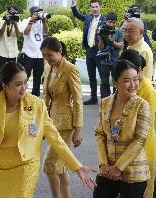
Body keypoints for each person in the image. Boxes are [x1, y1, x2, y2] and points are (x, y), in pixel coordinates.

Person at [0, 62, 96, 197]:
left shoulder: (37, 104)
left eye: (25, 82)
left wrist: (77, 167)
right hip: (0, 166)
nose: (24, 88)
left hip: (26, 165)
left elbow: (55, 139)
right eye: (18, 84)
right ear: (5, 86)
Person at [93, 60, 151, 198]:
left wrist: (118, 168)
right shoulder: (105, 103)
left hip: (134, 173)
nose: (133, 85)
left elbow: (139, 140)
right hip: (107, 170)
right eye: (126, 80)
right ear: (115, 82)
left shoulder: (142, 105)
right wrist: (103, 164)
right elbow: (99, 134)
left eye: (135, 80)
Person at [41, 37, 83, 198]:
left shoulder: (70, 69)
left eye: (50, 55)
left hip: (66, 124)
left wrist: (78, 130)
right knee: (60, 166)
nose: (47, 58)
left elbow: (78, 100)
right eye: (44, 55)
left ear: (60, 52)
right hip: (50, 122)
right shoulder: (48, 68)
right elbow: (46, 96)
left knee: (50, 164)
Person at [119, 49, 156, 198]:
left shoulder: (147, 89)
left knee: (142, 191)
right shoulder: (131, 85)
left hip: (143, 148)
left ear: (139, 70)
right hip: (126, 146)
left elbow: (146, 125)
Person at [71, 0, 106, 105]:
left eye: (96, 7)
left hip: (100, 51)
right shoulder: (88, 18)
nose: (94, 9)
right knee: (91, 76)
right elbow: (76, 14)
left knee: (102, 76)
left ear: (100, 7)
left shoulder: (105, 20)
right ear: (90, 8)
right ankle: (93, 97)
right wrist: (73, 5)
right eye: (92, 7)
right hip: (89, 50)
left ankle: (105, 99)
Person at [18, 6, 49, 97]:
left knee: (37, 77)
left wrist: (43, 21)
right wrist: (31, 21)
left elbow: (46, 32)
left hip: (39, 55)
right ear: (32, 13)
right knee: (24, 76)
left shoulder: (41, 22)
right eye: (37, 13)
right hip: (28, 54)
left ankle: (35, 96)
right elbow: (25, 32)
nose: (38, 15)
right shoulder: (26, 21)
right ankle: (22, 94)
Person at [97, 12, 124, 98]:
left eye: (113, 22)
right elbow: (101, 48)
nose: (111, 24)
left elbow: (121, 46)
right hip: (104, 60)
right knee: (104, 82)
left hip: (115, 60)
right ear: (106, 21)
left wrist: (112, 41)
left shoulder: (118, 32)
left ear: (116, 22)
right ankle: (105, 101)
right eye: (109, 22)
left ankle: (116, 100)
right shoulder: (102, 30)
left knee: (116, 81)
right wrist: (100, 38)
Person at [0, 4, 21, 69]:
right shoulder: (0, 20)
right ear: (8, 12)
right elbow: (0, 34)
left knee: (12, 72)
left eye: (14, 13)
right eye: (11, 12)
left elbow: (18, 35)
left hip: (13, 52)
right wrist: (5, 23)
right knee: (0, 71)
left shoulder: (18, 21)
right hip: (2, 51)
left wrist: (15, 24)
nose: (13, 15)